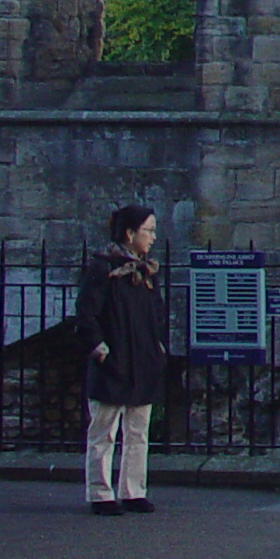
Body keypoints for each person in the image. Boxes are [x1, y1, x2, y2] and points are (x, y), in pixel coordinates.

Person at [74, 203, 167, 516]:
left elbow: (157, 314)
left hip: (142, 360)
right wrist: (99, 348)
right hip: (113, 361)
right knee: (104, 430)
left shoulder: (147, 271)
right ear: (130, 233)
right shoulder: (103, 269)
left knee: (138, 430)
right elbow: (86, 314)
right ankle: (100, 493)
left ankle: (133, 490)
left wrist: (158, 347)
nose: (153, 237)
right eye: (148, 230)